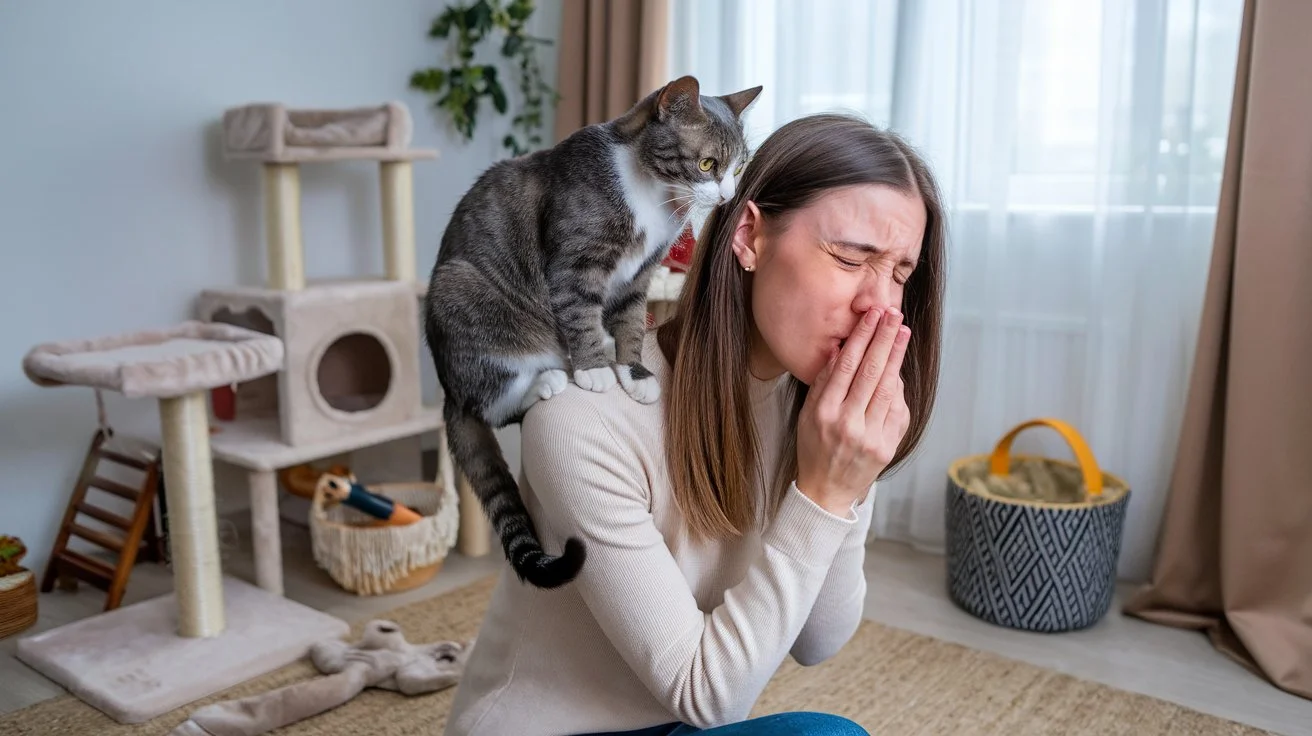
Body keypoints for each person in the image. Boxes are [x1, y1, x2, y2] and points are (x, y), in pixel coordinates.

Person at [444, 113, 947, 736]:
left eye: (900, 273)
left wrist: (849, 478)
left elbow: (819, 641)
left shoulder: (809, 409)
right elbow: (707, 696)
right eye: (850, 258)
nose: (881, 303)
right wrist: (824, 494)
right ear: (749, 237)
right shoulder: (581, 420)